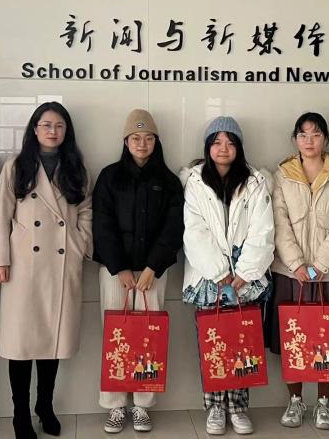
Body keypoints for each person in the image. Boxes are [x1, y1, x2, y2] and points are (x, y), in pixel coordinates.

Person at [0, 102, 93, 439]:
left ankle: (45, 406)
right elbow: (0, 215)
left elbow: (86, 210)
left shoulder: (76, 168)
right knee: (20, 344)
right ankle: (20, 413)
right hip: (23, 266)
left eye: (59, 125)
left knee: (52, 340)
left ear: (66, 131)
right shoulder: (16, 166)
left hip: (61, 264)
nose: (52, 131)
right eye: (46, 125)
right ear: (34, 129)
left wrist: (79, 245)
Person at [180, 116, 274, 436]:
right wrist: (219, 273)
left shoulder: (255, 181)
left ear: (239, 148)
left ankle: (238, 406)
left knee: (242, 342)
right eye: (217, 142)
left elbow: (264, 230)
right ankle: (215, 408)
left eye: (230, 142)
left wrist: (244, 273)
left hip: (247, 278)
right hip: (208, 278)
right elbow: (194, 231)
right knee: (214, 342)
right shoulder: (194, 182)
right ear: (208, 147)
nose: (223, 148)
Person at [92, 109, 184, 434]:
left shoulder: (168, 181)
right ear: (125, 141)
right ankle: (115, 405)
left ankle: (143, 405)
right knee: (115, 336)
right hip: (115, 272)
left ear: (156, 142)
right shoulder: (109, 176)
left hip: (152, 274)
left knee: (148, 337)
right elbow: (102, 224)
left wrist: (152, 267)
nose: (141, 143)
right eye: (135, 138)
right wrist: (119, 267)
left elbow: (174, 228)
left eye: (148, 138)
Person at [265, 112, 329, 431]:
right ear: (295, 139)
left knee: (326, 339)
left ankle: (323, 403)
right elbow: (278, 222)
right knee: (293, 338)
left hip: (327, 274)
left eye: (316, 134)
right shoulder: (282, 175)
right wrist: (296, 264)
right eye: (303, 135)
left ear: (326, 139)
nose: (309, 141)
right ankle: (295, 401)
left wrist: (319, 265)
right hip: (290, 273)